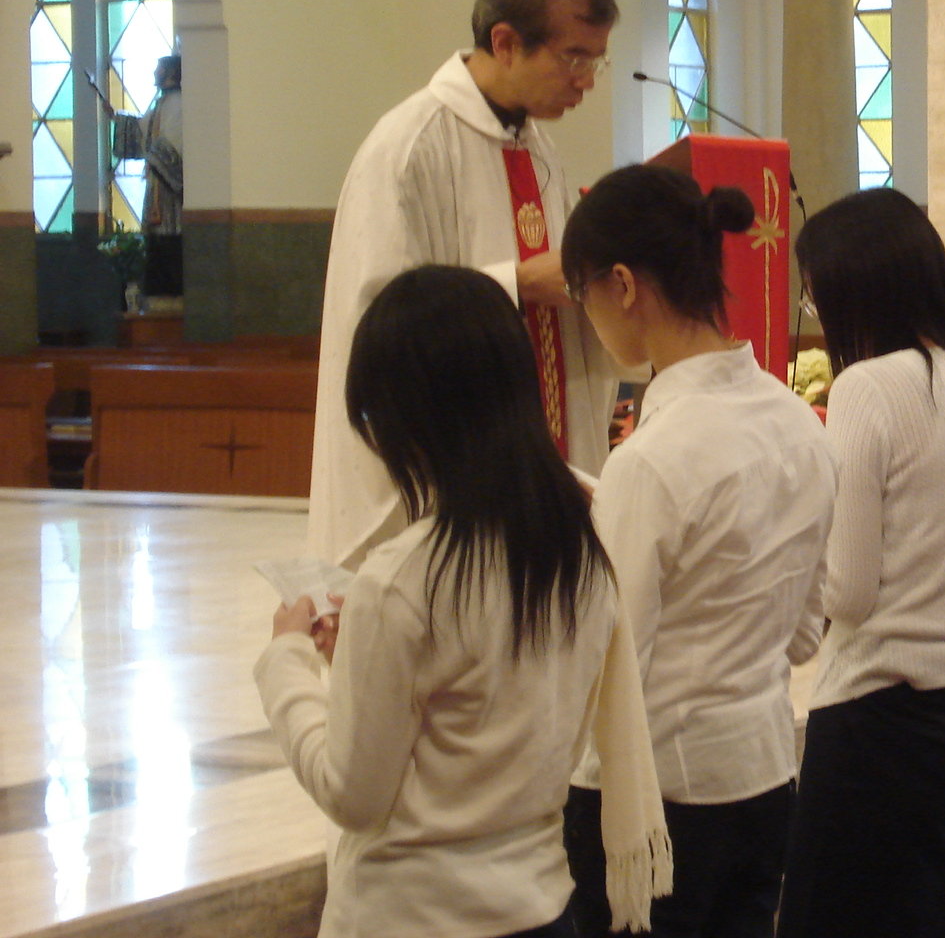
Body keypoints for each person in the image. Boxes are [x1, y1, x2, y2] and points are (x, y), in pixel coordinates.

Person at [255, 265, 671, 938]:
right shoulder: (581, 552)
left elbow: (353, 796)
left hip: (414, 917)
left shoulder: (403, 579)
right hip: (540, 907)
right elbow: (486, 722)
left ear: (410, 420)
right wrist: (357, 654)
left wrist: (286, 665)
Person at [556, 165, 836, 938]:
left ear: (621, 285)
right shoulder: (798, 423)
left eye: (581, 294)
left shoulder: (651, 461)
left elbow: (609, 666)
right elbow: (805, 635)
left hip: (659, 804)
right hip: (763, 776)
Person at [309, 0, 624, 569]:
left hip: (538, 453)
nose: (586, 80)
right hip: (450, 472)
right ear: (505, 43)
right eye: (574, 58)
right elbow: (379, 326)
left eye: (596, 61)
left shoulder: (539, 149)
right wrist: (516, 285)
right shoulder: (408, 148)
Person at [777, 188, 945, 938]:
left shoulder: (871, 386)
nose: (816, 308)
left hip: (874, 729)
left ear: (860, 285)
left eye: (816, 290)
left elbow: (849, 592)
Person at [111, 54, 184, 296]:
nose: (154, 73)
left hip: (170, 191)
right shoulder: (162, 103)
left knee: (171, 243)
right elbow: (143, 130)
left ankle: (171, 297)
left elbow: (174, 147)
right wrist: (118, 119)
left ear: (170, 73)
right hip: (156, 185)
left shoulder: (179, 104)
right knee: (157, 245)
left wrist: (153, 157)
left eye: (158, 69)